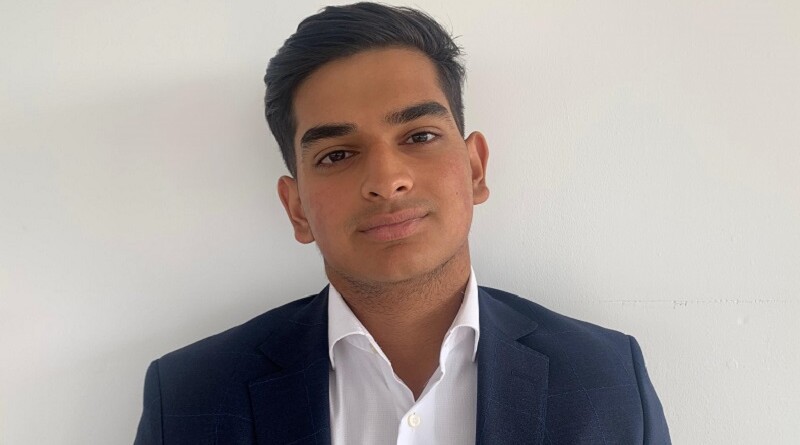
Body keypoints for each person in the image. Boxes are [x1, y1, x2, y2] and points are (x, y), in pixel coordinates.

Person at [134, 3, 670, 444]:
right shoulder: (188, 397)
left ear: (475, 169)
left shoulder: (606, 378)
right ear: (296, 208)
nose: (387, 180)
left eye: (419, 136)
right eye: (337, 155)